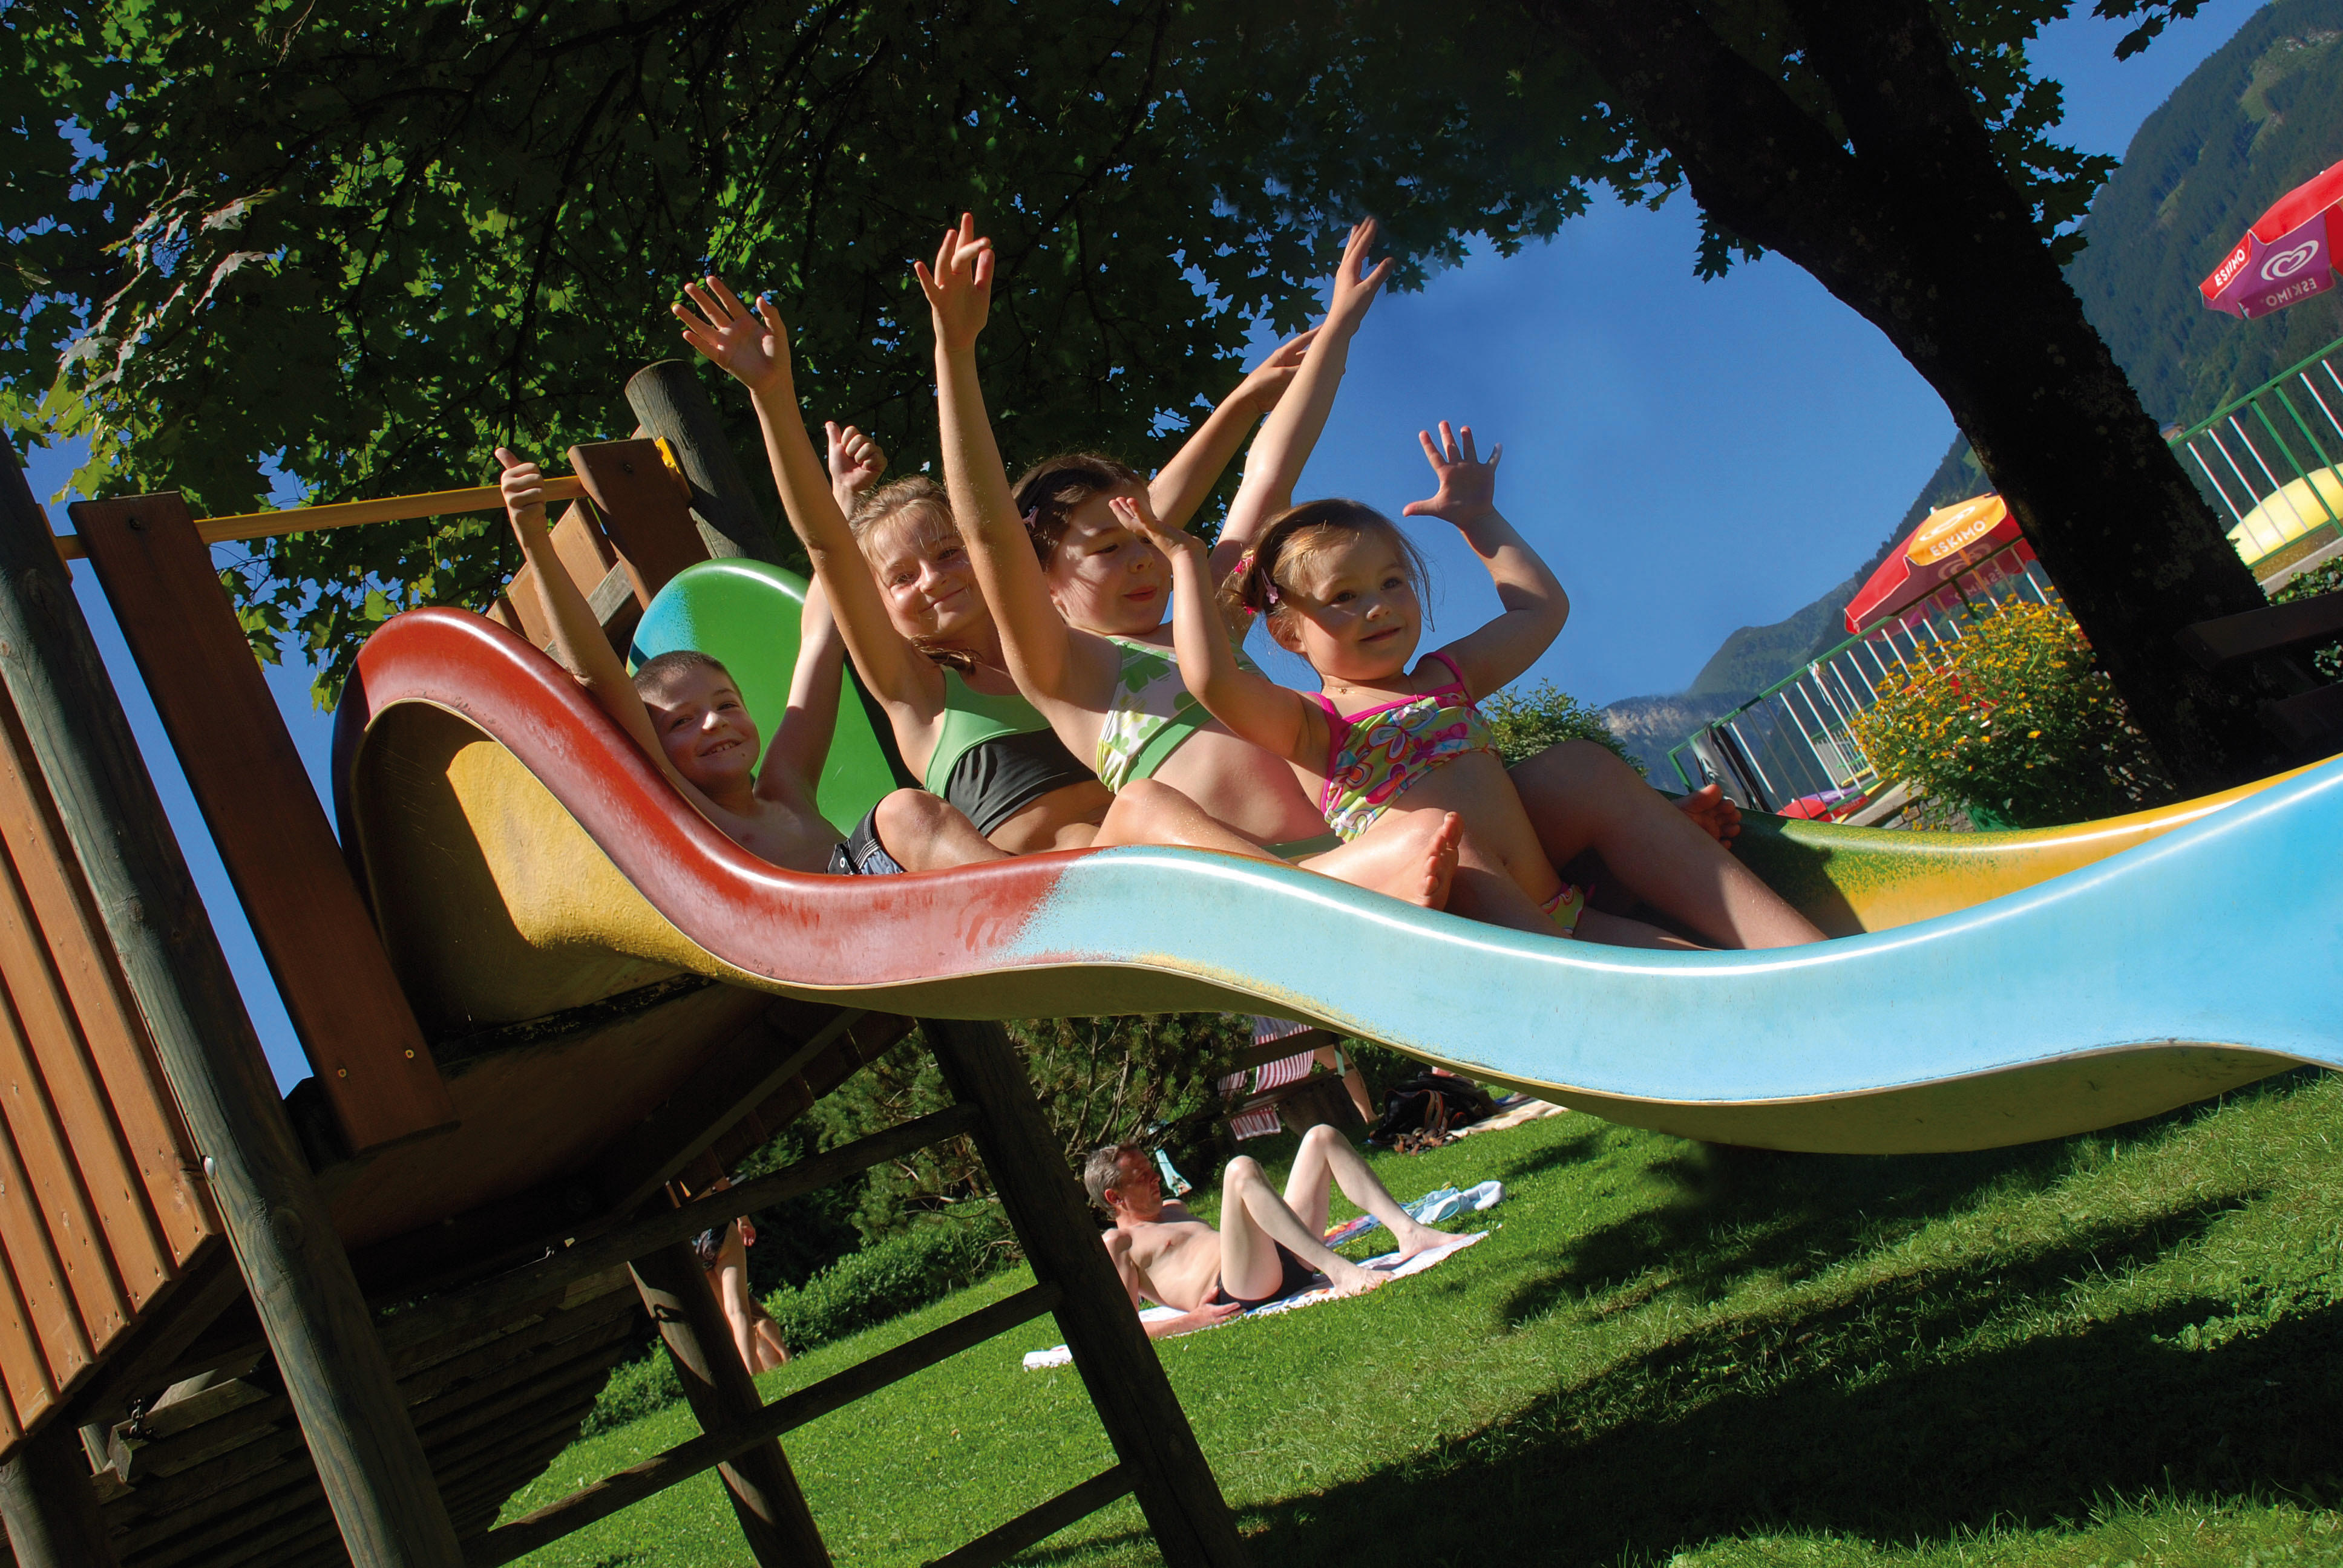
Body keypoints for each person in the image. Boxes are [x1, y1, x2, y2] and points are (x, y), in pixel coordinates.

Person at [667, 270, 1460, 906]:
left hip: (1217, 862)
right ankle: (1327, 895)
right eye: (902, 578)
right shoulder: (918, 690)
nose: (936, 580)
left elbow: (1167, 515)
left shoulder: (1102, 643)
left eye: (947, 555)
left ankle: (1358, 879)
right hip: (1056, 900)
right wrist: (773, 400)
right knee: (1145, 804)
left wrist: (1287, 374)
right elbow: (832, 553)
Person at [1115, 419, 1829, 947]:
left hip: (1561, 910)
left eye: (1393, 582)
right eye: (1343, 597)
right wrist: (1183, 561)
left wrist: (1479, 521)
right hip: (1493, 946)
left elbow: (1539, 609)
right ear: (1287, 632)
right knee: (1447, 838)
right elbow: (1209, 679)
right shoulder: (1312, 726)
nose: (1378, 605)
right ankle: (1636, 973)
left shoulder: (1444, 679)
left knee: (1580, 769)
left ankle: (1796, 949)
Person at [497, 447, 870, 872]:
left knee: (904, 814)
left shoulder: (789, 787)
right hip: (821, 934)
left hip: (893, 909)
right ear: (655, 748)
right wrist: (535, 543)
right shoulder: (697, 819)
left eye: (727, 704)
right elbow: (598, 677)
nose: (715, 722)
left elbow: (820, 638)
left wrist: (844, 502)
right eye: (682, 721)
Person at [1084, 1130, 1460, 1338]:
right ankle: (1341, 1272)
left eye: (1152, 1170)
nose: (1154, 1179)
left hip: (1279, 1257)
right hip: (1242, 1289)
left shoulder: (1173, 1209)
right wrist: (1191, 1321)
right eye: (1142, 1177)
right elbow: (1120, 1331)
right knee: (1240, 1169)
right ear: (1114, 1198)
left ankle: (1409, 1233)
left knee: (1321, 1137)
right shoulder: (1119, 1244)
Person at [689, 1177, 789, 1373]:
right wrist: (743, 1220)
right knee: (737, 1309)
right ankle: (752, 1371)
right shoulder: (696, 1159)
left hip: (691, 1242)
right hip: (715, 1228)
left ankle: (745, 1376)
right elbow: (723, 1185)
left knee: (724, 1320)